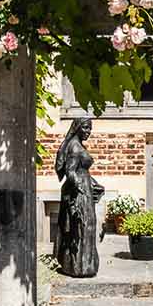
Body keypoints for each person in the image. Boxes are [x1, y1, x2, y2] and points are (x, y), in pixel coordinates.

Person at [54, 118, 104, 278]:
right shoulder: (75, 147)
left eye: (90, 128)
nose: (88, 131)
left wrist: (94, 183)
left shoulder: (77, 144)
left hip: (84, 187)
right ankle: (79, 267)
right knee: (82, 227)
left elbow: (82, 171)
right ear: (77, 128)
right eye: (85, 127)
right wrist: (79, 191)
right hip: (79, 193)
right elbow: (71, 172)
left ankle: (82, 265)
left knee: (84, 228)